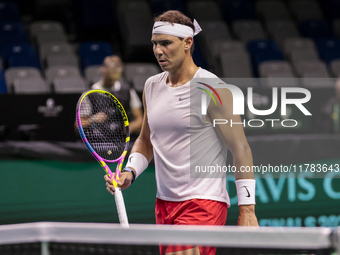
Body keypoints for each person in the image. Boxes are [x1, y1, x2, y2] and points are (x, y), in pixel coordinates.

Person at [105, 10, 258, 255]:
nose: (158, 51)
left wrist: (247, 210)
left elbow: (241, 148)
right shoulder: (151, 86)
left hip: (203, 202)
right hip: (164, 203)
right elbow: (146, 140)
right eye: (155, 44)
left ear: (188, 43)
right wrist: (130, 172)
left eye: (166, 43)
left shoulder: (214, 89)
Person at [75, 55, 143, 142]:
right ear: (102, 70)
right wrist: (93, 119)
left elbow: (140, 119)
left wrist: (130, 127)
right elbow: (77, 127)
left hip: (122, 141)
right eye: (110, 72)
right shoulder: (89, 94)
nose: (112, 80)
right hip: (98, 143)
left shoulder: (127, 91)